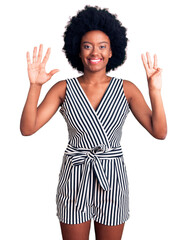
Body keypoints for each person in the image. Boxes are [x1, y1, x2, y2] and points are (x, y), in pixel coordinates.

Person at [20, 5, 167, 240]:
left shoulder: (127, 89)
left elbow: (159, 132)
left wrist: (154, 91)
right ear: (78, 51)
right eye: (87, 46)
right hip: (75, 176)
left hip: (112, 177)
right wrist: (36, 86)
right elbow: (28, 128)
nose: (94, 52)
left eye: (102, 46)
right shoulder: (63, 88)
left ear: (111, 52)